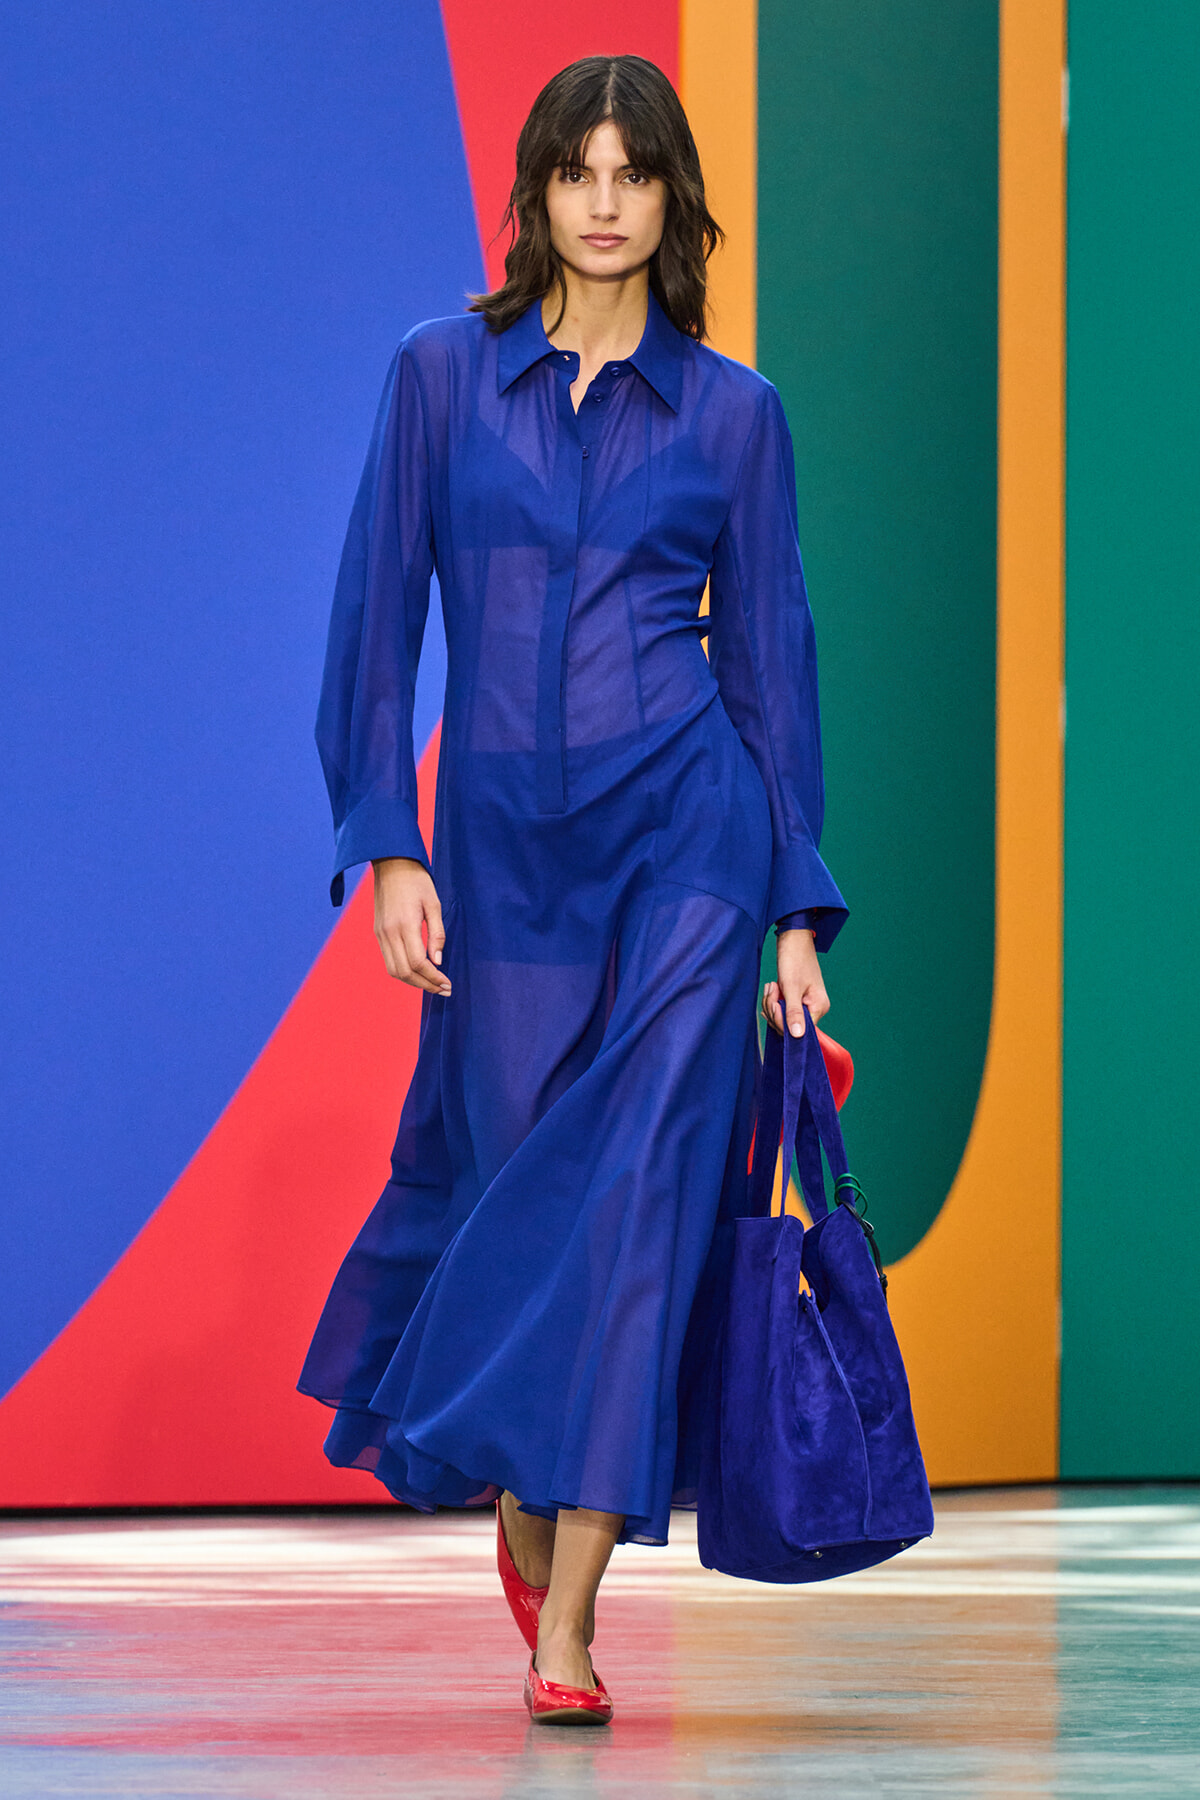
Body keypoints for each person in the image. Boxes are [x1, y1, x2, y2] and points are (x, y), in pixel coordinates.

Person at [297, 52, 847, 1726]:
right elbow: (378, 622)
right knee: (502, 1185)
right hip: (501, 864)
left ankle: (573, 1621)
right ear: (534, 191)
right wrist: (382, 843)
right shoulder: (439, 380)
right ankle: (529, 1496)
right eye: (576, 171)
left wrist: (793, 909)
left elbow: (772, 662)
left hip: (690, 841)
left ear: (673, 199)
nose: (604, 201)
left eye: (635, 172)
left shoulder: (735, 413)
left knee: (638, 1210)